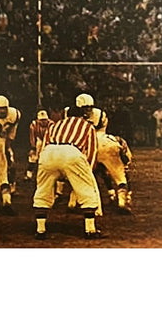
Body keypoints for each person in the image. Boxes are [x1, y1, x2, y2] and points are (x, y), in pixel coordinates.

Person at [32, 99, 104, 240]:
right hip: (71, 151)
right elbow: (91, 151)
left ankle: (40, 230)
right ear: (82, 115)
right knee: (86, 190)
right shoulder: (87, 126)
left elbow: (44, 145)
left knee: (42, 190)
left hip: (49, 152)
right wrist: (87, 171)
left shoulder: (55, 125)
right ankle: (90, 229)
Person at [25, 109, 52, 181]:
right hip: (39, 140)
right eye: (41, 120)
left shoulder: (51, 124)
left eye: (45, 120)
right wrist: (33, 147)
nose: (43, 122)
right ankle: (29, 174)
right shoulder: (33, 125)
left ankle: (47, 175)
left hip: (49, 141)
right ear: (38, 120)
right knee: (33, 157)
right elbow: (32, 136)